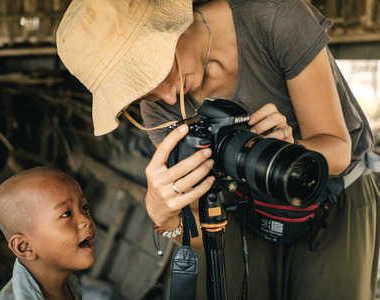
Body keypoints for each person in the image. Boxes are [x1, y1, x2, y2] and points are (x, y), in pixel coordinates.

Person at [56, 0, 380, 299]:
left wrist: (290, 151)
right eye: (140, 92)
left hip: (331, 196)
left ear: (167, 29)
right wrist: (167, 216)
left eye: (155, 71)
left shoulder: (274, 16)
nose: (168, 98)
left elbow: (337, 151)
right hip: (244, 212)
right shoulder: (157, 111)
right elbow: (204, 233)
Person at [0, 167, 95, 300]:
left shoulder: (68, 285)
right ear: (24, 246)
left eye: (84, 207)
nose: (86, 220)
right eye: (66, 214)